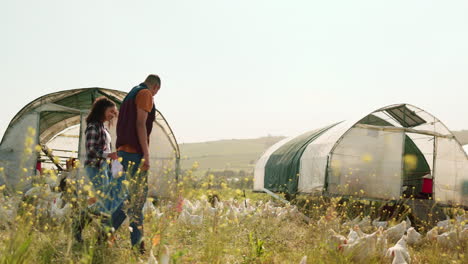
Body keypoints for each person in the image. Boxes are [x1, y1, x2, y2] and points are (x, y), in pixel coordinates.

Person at [110, 74, 161, 252]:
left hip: (124, 152)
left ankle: (107, 231)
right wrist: (146, 154)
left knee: (130, 199)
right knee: (137, 199)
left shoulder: (130, 95)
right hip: (135, 153)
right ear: (156, 88)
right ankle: (137, 245)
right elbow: (141, 124)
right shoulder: (146, 94)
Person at [73, 96, 118, 242]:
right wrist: (109, 155)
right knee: (104, 202)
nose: (112, 115)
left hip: (104, 166)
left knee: (107, 201)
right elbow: (91, 149)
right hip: (95, 166)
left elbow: (107, 150)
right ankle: (79, 226)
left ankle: (102, 236)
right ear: (102, 109)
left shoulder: (103, 128)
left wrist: (114, 165)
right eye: (111, 111)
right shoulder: (93, 126)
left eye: (114, 113)